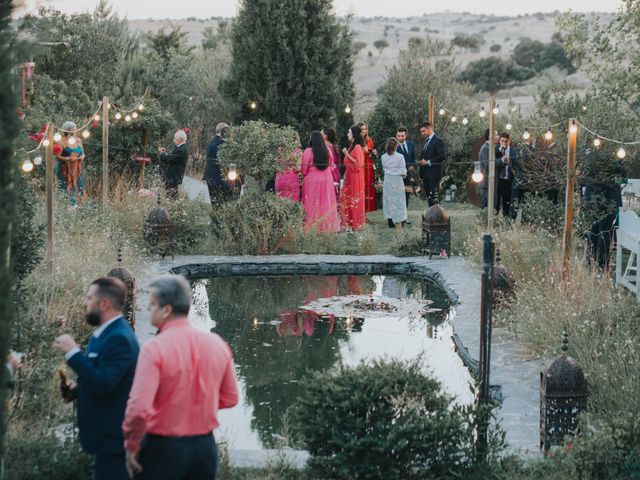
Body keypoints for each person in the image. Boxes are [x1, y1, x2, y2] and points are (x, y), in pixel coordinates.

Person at [122, 275, 239, 480]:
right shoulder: (217, 344)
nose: (148, 309)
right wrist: (198, 402)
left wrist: (132, 446)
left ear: (166, 309)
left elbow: (139, 409)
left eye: (152, 305)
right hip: (204, 449)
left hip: (163, 448)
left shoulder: (154, 348)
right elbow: (231, 397)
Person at [54, 277, 140, 480]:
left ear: (104, 303)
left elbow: (104, 383)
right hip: (104, 443)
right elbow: (101, 377)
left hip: (115, 445)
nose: (85, 302)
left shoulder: (119, 338)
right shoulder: (102, 334)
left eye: (89, 297)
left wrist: (73, 353)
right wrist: (76, 389)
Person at [301, 131, 340, 232]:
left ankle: (313, 228)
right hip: (327, 179)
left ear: (311, 140)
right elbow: (331, 167)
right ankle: (327, 227)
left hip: (312, 180)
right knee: (326, 202)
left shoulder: (308, 151)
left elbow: (304, 170)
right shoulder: (327, 150)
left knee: (312, 203)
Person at [341, 125, 366, 231]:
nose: (347, 134)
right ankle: (350, 222)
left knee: (355, 198)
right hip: (351, 176)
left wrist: (346, 153)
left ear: (354, 134)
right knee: (349, 198)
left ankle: (357, 223)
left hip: (356, 177)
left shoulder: (357, 147)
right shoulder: (352, 145)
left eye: (349, 132)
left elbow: (359, 164)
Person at [56, 121, 86, 207]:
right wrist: (67, 158)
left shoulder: (78, 140)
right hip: (65, 170)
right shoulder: (61, 142)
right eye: (74, 129)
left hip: (77, 169)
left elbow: (83, 153)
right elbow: (57, 156)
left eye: (76, 129)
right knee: (65, 189)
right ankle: (65, 207)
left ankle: (78, 207)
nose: (76, 131)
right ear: (68, 131)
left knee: (79, 186)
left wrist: (82, 157)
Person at [381, 137, 408, 228]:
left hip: (388, 180)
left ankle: (390, 221)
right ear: (396, 146)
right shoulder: (400, 157)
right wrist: (403, 174)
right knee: (399, 201)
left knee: (389, 201)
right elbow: (404, 172)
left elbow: (385, 169)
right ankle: (400, 220)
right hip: (397, 180)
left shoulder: (383, 157)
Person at [418, 122, 445, 206]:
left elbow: (442, 156)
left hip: (434, 174)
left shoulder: (438, 140)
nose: (422, 133)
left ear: (429, 129)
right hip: (425, 174)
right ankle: (431, 217)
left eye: (423, 131)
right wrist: (421, 161)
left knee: (435, 198)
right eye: (421, 132)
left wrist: (428, 162)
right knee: (429, 198)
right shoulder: (426, 142)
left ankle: (438, 217)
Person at [203, 122, 230, 206]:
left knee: (214, 201)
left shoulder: (212, 141)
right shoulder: (221, 143)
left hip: (211, 176)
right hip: (218, 177)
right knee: (222, 202)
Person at [159, 130, 189, 199]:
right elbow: (172, 157)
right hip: (173, 177)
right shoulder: (181, 148)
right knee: (171, 196)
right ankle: (174, 209)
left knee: (172, 197)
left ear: (180, 139)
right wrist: (165, 153)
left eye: (175, 138)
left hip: (173, 177)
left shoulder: (181, 149)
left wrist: (162, 154)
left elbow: (168, 158)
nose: (173, 140)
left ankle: (174, 209)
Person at [275, 132, 302, 202]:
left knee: (280, 204)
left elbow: (276, 165)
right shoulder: (298, 152)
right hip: (292, 180)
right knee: (292, 205)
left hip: (280, 178)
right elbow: (298, 168)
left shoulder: (280, 150)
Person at [357, 122, 377, 212]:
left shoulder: (369, 140)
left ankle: (370, 208)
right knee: (362, 185)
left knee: (370, 184)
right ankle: (362, 207)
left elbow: (372, 150)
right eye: (362, 129)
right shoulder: (356, 141)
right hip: (361, 165)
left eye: (365, 129)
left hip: (369, 165)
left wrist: (374, 152)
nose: (364, 131)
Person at [495, 132, 516, 218]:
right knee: (496, 202)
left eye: (506, 141)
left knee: (507, 202)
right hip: (498, 179)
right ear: (499, 141)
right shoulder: (496, 150)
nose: (504, 143)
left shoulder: (513, 151)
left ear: (509, 141)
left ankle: (506, 220)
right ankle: (494, 219)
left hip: (508, 180)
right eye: (502, 141)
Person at [395, 126, 416, 209]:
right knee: (398, 194)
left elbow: (413, 157)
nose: (400, 138)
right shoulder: (394, 146)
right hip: (398, 175)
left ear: (406, 135)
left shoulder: (411, 144)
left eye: (402, 136)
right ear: (396, 136)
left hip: (408, 174)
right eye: (399, 136)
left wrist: (412, 165)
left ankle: (405, 216)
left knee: (406, 194)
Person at [479, 129, 499, 210]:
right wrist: (501, 161)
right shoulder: (485, 148)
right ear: (490, 136)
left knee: (492, 206)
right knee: (488, 206)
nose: (498, 136)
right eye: (496, 135)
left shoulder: (491, 148)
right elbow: (487, 164)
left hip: (492, 182)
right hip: (487, 182)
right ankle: (484, 222)